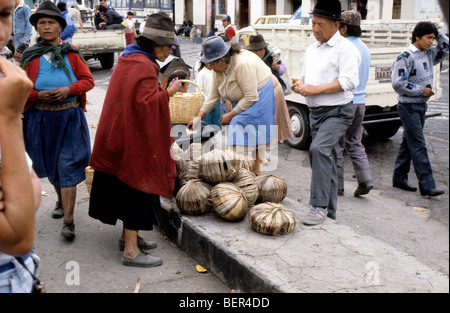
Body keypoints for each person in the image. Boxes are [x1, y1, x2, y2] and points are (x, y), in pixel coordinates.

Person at [88, 13, 183, 267]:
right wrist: (168, 93)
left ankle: (127, 238)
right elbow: (146, 105)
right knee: (135, 188)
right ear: (155, 44)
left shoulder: (130, 58)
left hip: (119, 135)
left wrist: (161, 92)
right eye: (167, 47)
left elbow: (135, 101)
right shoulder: (142, 65)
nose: (168, 52)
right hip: (131, 142)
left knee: (123, 188)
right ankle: (130, 251)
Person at [20, 0, 94, 241]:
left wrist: (68, 90)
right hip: (40, 118)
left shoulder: (71, 54)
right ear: (37, 27)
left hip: (69, 116)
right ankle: (61, 202)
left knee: (67, 165)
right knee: (51, 164)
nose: (47, 26)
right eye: (42, 23)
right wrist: (37, 94)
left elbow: (88, 81)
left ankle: (69, 220)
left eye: (51, 22)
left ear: (60, 27)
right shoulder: (30, 56)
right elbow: (19, 89)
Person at [291, 0, 360, 225]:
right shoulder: (312, 50)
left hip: (338, 111)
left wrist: (315, 89)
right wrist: (300, 84)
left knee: (318, 150)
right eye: (313, 23)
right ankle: (329, 211)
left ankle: (318, 207)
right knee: (326, 157)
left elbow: (350, 81)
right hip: (315, 112)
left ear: (335, 24)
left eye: (320, 24)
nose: (315, 29)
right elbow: (305, 77)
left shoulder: (346, 49)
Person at [187, 36, 276, 176]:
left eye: (211, 64)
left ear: (222, 60)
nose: (209, 67)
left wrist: (231, 114)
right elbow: (213, 96)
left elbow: (251, 96)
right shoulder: (217, 70)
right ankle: (234, 168)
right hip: (243, 96)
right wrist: (198, 117)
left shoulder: (241, 65)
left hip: (259, 92)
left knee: (249, 127)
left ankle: (250, 170)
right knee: (237, 126)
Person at [0, 0, 42, 293]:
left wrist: (18, 195)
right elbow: (18, 235)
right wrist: (9, 116)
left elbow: (32, 188)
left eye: (4, 15)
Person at [391, 21, 449, 197]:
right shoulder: (405, 57)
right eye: (428, 37)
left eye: (433, 38)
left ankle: (399, 178)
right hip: (408, 107)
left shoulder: (429, 54)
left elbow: (446, 48)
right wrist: (420, 91)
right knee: (418, 145)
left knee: (409, 143)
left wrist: (436, 31)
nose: (432, 41)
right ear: (418, 37)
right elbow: (397, 83)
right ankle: (427, 185)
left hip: (421, 105)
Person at [336, 10, 374, 197]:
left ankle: (337, 186)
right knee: (355, 141)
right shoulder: (364, 48)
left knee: (337, 144)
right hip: (360, 102)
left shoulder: (343, 47)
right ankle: (365, 179)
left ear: (343, 28)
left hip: (345, 101)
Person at [246, 34, 293, 143]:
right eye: (255, 50)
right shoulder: (248, 59)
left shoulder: (271, 56)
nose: (258, 53)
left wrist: (278, 67)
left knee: (274, 115)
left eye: (260, 50)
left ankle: (274, 136)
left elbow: (282, 69)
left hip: (273, 89)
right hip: (258, 91)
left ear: (265, 48)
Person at [196, 59, 222, 127]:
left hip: (217, 102)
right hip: (206, 103)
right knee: (207, 124)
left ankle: (218, 135)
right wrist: (207, 101)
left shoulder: (216, 72)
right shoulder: (201, 74)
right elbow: (199, 90)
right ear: (204, 62)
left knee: (217, 121)